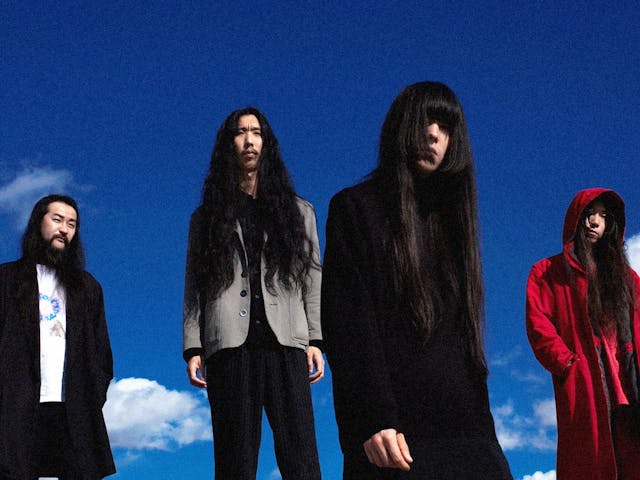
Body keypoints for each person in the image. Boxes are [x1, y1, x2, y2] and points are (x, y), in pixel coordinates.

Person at [321, 82, 512, 479]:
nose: (433, 134)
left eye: (446, 125)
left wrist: (488, 436)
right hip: (394, 430)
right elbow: (349, 323)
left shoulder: (454, 226)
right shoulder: (355, 208)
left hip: (466, 429)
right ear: (401, 126)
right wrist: (372, 417)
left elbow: (466, 346)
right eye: (425, 119)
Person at [183, 107, 324, 479]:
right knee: (234, 460)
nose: (249, 140)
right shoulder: (206, 217)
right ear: (228, 143)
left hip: (286, 341)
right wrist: (194, 347)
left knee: (302, 458)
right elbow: (194, 285)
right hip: (229, 344)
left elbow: (312, 278)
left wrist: (315, 340)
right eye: (240, 132)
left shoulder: (299, 211)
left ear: (267, 143)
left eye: (256, 132)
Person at [526, 188, 640, 479]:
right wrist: (567, 363)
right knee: (589, 462)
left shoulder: (628, 278)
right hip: (585, 384)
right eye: (589, 213)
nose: (594, 222)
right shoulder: (547, 272)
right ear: (576, 218)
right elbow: (538, 324)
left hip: (630, 384)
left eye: (603, 216)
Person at [0, 195, 115, 479]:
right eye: (57, 220)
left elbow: (102, 353)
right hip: (16, 407)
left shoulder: (87, 288)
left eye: (72, 224)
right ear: (38, 222)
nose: (65, 229)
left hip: (72, 409)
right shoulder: (6, 279)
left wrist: (91, 396)